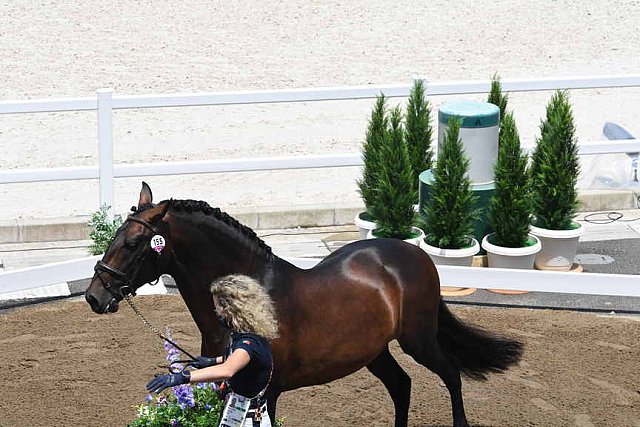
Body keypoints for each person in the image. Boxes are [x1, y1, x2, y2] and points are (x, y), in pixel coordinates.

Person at [146, 274, 279, 427]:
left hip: (247, 421)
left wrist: (182, 377)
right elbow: (241, 361)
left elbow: (228, 370)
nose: (216, 312)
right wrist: (211, 361)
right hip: (239, 414)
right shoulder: (249, 336)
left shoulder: (248, 343)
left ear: (232, 308)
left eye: (218, 307)